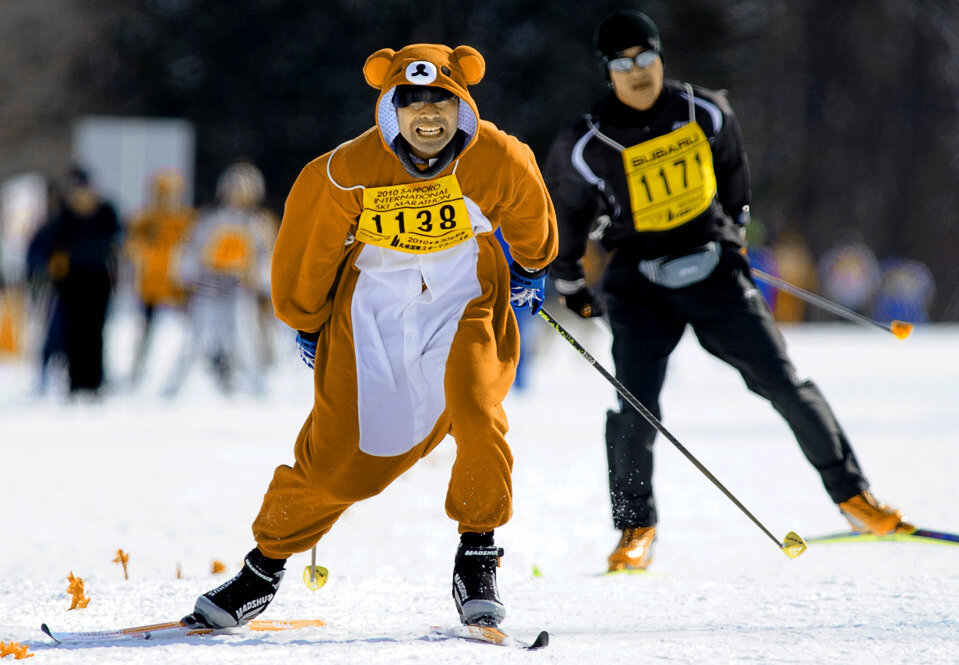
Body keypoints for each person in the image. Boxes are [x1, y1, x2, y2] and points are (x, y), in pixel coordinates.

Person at [183, 43, 556, 629]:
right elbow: (310, 246)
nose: (427, 115)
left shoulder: (499, 156)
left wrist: (533, 266)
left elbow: (531, 207)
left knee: (478, 410)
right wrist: (306, 318)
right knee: (342, 465)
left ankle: (478, 552)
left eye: (442, 101)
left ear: (462, 106)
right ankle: (263, 568)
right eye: (412, 103)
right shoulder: (345, 170)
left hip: (464, 303)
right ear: (392, 107)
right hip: (374, 314)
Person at [544, 10, 913, 572]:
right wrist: (569, 279)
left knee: (785, 384)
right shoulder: (585, 140)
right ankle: (635, 528)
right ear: (608, 72)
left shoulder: (704, 109)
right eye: (623, 63)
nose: (637, 71)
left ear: (660, 57)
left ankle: (854, 498)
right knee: (635, 408)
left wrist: (736, 231)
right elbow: (568, 214)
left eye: (645, 57)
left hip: (714, 271)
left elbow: (734, 171)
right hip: (638, 284)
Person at [163, 161, 274, 396]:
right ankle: (173, 389)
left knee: (246, 340)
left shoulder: (256, 223)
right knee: (195, 342)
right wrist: (187, 276)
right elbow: (190, 251)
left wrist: (260, 280)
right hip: (207, 291)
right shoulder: (209, 219)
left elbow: (265, 259)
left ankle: (259, 389)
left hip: (238, 291)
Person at [44, 167, 121, 396]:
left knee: (95, 331)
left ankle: (94, 381)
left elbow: (115, 239)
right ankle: (76, 381)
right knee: (73, 331)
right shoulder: (65, 214)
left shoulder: (105, 210)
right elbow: (51, 243)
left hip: (97, 277)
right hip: (72, 279)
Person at [124, 170, 195, 385]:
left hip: (177, 282)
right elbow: (131, 246)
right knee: (145, 330)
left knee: (192, 332)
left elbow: (194, 247)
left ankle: (186, 373)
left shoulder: (186, 219)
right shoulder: (144, 218)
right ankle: (138, 371)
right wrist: (144, 258)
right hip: (151, 283)